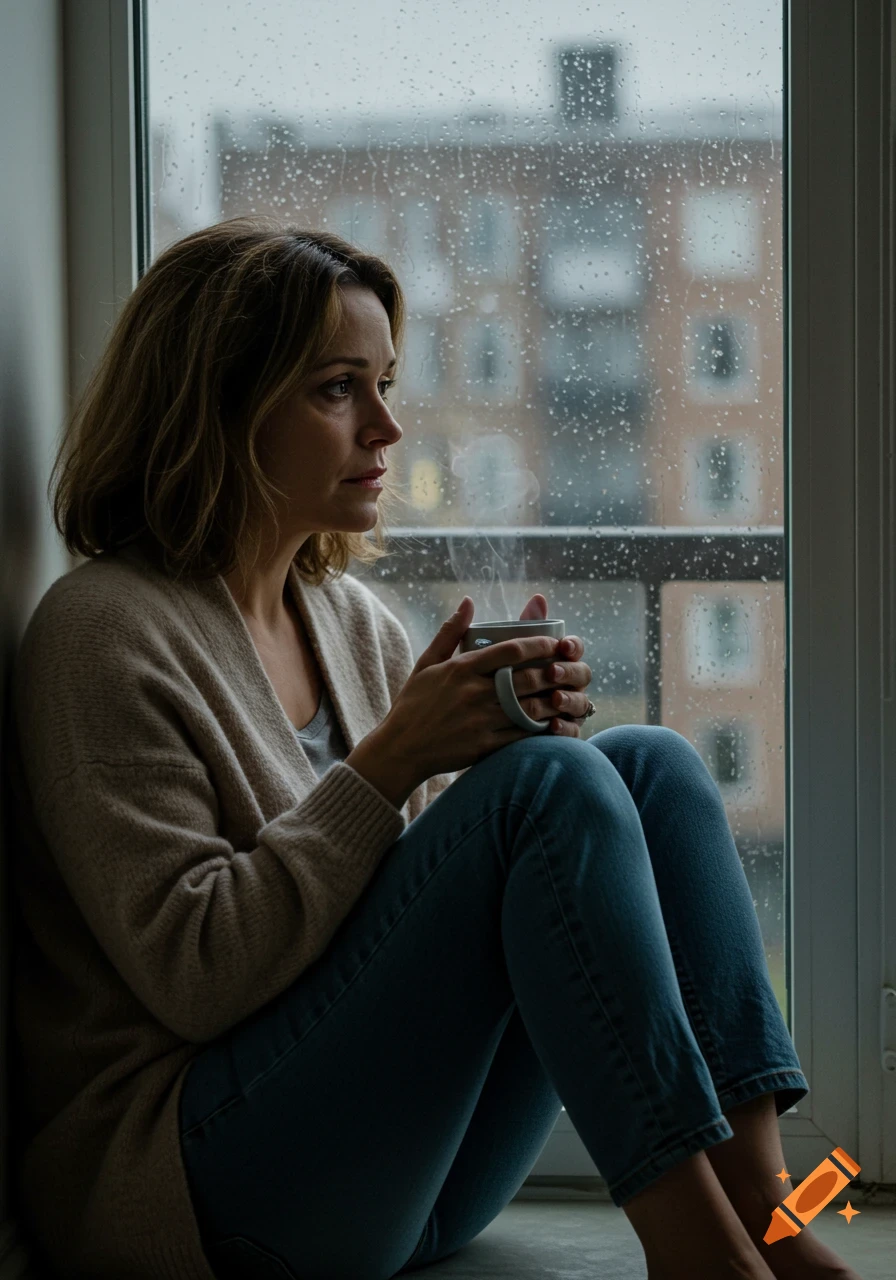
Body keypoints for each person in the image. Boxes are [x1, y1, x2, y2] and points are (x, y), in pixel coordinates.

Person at [5, 215, 856, 1280]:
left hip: (406, 1180)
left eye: (386, 385)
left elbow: (384, 923)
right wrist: (398, 761)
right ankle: (702, 1260)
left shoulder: (352, 619)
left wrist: (494, 756)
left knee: (645, 766)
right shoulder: (102, 631)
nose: (385, 429)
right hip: (207, 1193)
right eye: (335, 388)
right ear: (216, 406)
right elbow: (198, 977)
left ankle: (770, 1222)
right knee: (548, 786)